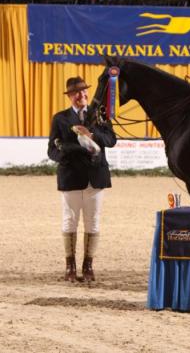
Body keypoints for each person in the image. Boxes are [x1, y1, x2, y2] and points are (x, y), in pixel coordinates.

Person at [48, 76, 117, 283]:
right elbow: (52, 150)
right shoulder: (60, 119)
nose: (82, 95)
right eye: (76, 92)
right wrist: (67, 153)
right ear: (69, 96)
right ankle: (70, 267)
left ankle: (88, 266)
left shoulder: (100, 115)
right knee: (70, 220)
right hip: (71, 177)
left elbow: (111, 140)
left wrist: (92, 134)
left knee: (93, 222)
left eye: (84, 91)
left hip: (95, 176)